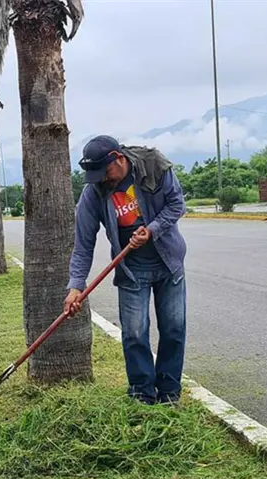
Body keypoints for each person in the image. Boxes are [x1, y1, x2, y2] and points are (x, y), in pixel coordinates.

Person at [64, 135, 187, 405]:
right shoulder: (94, 192)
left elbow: (177, 205)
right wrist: (76, 286)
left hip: (169, 263)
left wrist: (152, 230)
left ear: (118, 158)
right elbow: (83, 244)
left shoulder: (153, 165)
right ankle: (142, 395)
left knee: (173, 330)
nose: (103, 180)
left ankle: (169, 394)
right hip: (132, 269)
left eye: (105, 172)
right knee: (133, 333)